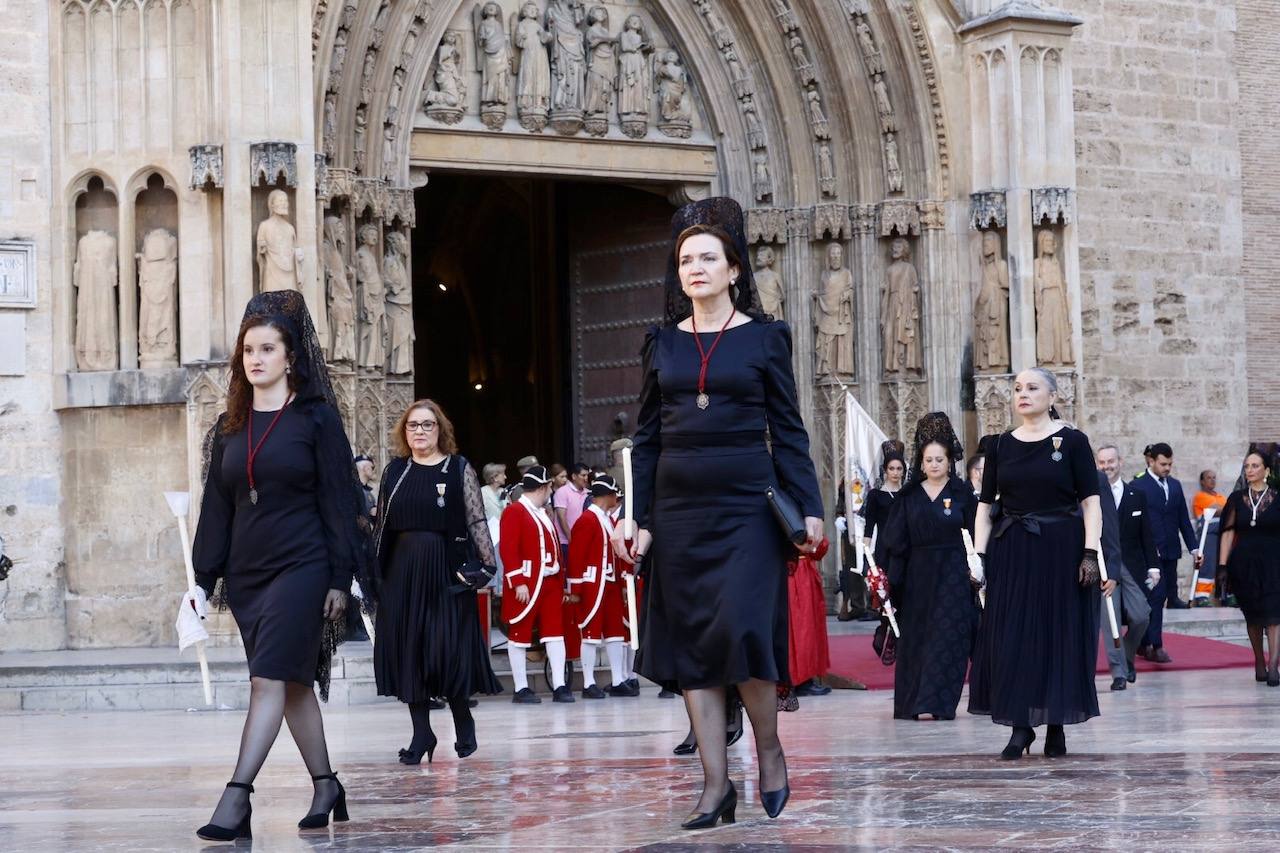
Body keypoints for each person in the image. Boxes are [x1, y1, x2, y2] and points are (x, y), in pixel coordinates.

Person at [615, 197, 823, 828]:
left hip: (746, 511)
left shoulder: (765, 338)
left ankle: (768, 749)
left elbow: (787, 429)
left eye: (708, 258)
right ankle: (714, 785)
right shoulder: (661, 344)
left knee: (743, 633)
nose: (695, 268)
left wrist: (809, 507)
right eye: (686, 260)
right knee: (694, 650)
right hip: (679, 513)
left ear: (734, 269)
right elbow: (646, 439)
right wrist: (637, 517)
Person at [191, 291, 365, 839]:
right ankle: (326, 783)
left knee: (267, 680)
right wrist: (200, 581)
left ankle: (237, 796)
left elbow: (340, 502)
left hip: (303, 565)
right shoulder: (227, 427)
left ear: (291, 357)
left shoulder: (315, 419)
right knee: (292, 685)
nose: (256, 358)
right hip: (247, 575)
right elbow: (216, 509)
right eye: (248, 349)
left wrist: (340, 576)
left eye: (268, 348)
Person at [968, 367, 1114, 760]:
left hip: (1062, 548)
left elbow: (1091, 503)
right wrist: (979, 558)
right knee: (1012, 636)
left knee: (1057, 633)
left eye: (1032, 388)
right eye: (1017, 388)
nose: (1023, 394)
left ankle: (1056, 725)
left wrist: (1090, 552)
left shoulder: (1073, 441)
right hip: (1013, 549)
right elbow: (984, 508)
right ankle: (1020, 726)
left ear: (1052, 396)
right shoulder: (999, 446)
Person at [371, 399, 501, 765]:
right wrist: (372, 575)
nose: (420, 432)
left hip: (446, 569)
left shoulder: (458, 468)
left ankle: (463, 719)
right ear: (404, 432)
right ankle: (421, 733)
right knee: (409, 649)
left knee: (448, 648)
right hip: (403, 573)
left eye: (427, 425)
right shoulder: (395, 472)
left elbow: (476, 521)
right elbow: (383, 527)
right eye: (413, 426)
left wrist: (487, 566)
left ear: (440, 429)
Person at [876, 413, 979, 721]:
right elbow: (895, 542)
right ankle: (911, 703)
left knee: (948, 638)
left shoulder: (962, 495)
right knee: (917, 639)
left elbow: (977, 534)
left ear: (950, 461)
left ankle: (938, 703)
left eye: (940, 459)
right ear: (920, 463)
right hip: (917, 575)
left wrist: (979, 569)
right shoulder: (908, 498)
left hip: (953, 573)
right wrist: (889, 583)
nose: (934, 464)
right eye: (928, 459)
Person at [500, 465, 573, 703]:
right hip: (528, 582)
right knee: (519, 632)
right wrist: (517, 581)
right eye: (550, 486)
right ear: (543, 487)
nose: (551, 490)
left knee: (555, 633)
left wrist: (561, 584)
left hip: (550, 581)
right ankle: (521, 688)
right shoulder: (515, 511)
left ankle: (560, 685)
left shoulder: (542, 512)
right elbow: (508, 549)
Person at [1132, 442, 1203, 659]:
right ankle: (1156, 645)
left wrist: (1194, 548)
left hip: (1171, 551)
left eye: (1170, 464)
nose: (1167, 468)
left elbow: (1182, 519)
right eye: (1163, 464)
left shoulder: (1175, 485)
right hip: (1148, 554)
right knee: (1156, 595)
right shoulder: (1138, 485)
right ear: (1151, 461)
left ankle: (1142, 643)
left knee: (1159, 598)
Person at [1095, 445, 1155, 690]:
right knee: (1111, 621)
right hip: (1104, 564)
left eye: (1110, 461)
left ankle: (1128, 655)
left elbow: (1147, 535)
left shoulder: (1136, 494)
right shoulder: (1093, 495)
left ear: (1120, 461)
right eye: (1102, 462)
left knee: (1142, 615)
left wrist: (1154, 566)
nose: (1107, 466)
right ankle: (1118, 672)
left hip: (1130, 566)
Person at [1218, 449, 1280, 685]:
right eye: (1247, 466)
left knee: (1275, 614)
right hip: (1244, 565)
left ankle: (1274, 666)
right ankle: (1259, 661)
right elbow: (1227, 531)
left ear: (1266, 470)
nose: (1250, 470)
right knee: (1253, 616)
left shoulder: (1277, 498)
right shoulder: (1236, 499)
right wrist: (1222, 566)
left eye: (1255, 466)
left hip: (1274, 563)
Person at [567, 474, 630, 698]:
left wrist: (622, 581)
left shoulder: (607, 519)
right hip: (592, 583)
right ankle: (588, 682)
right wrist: (575, 589)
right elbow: (576, 557)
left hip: (610, 583)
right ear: (608, 495)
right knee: (590, 632)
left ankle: (618, 679)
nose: (617, 499)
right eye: (615, 495)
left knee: (615, 632)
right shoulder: (586, 520)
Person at [553, 462, 591, 562]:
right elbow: (562, 518)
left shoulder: (588, 494)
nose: (586, 478)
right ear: (574, 476)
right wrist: (572, 539)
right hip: (565, 542)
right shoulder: (562, 492)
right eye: (583, 475)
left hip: (584, 542)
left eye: (587, 475)